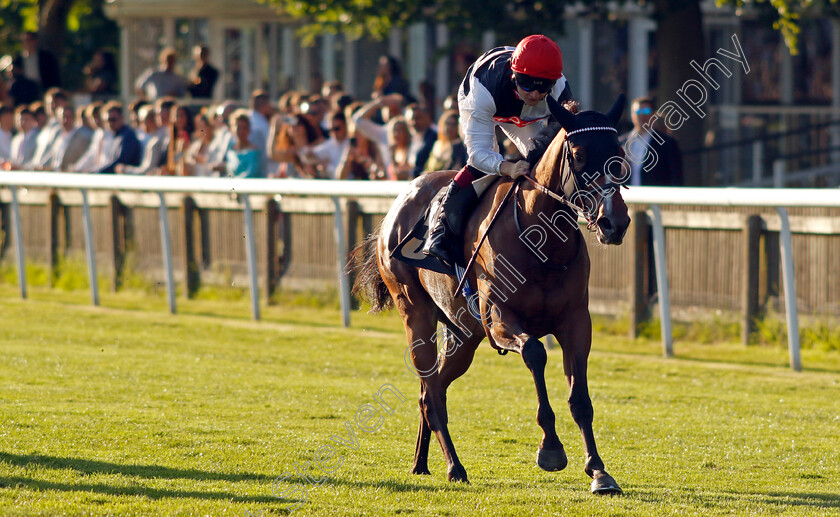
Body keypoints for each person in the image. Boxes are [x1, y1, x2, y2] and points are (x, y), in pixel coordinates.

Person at [423, 34, 573, 267]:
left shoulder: (560, 88)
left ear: (554, 82)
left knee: (542, 164)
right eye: (527, 84)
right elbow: (478, 154)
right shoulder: (483, 91)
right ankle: (442, 230)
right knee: (485, 166)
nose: (534, 94)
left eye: (543, 87)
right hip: (488, 102)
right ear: (515, 76)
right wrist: (507, 167)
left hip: (526, 113)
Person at [620, 96, 683, 186]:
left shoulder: (667, 143)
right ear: (631, 114)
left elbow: (676, 177)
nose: (641, 115)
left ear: (654, 115)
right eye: (637, 111)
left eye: (646, 111)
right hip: (626, 197)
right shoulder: (620, 142)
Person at [96, 102, 141, 174]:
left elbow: (121, 161)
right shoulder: (115, 136)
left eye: (113, 120)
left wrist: (98, 171)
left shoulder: (128, 136)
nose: (110, 123)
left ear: (122, 118)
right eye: (107, 120)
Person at [48, 105, 92, 172]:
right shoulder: (56, 135)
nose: (65, 120)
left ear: (74, 118)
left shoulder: (84, 135)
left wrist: (74, 169)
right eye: (63, 117)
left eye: (69, 117)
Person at [405, 103, 437, 177]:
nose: (413, 123)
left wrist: (409, 173)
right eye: (410, 120)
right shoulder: (413, 139)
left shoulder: (434, 138)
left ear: (427, 118)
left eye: (417, 118)